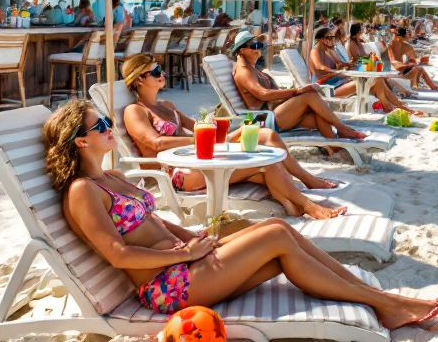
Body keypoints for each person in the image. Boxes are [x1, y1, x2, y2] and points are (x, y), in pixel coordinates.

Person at [44, 99, 438, 324]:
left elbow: (155, 220)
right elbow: (117, 253)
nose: (109, 128)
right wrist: (182, 254)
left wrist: (193, 239)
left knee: (276, 227)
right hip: (170, 286)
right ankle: (386, 305)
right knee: (273, 235)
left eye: (107, 122)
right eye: (101, 127)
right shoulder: (83, 191)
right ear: (79, 143)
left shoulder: (112, 175)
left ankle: (376, 297)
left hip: (188, 264)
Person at [121, 55, 344, 220]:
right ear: (139, 79)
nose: (163, 74)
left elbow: (200, 126)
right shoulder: (135, 111)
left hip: (201, 156)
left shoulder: (167, 106)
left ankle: (293, 207)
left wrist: (216, 129)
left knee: (264, 135)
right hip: (178, 172)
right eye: (156, 71)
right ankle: (309, 206)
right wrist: (201, 140)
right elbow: (155, 142)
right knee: (268, 166)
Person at [231, 31, 367, 144]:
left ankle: (334, 147)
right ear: (242, 50)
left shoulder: (251, 68)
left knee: (319, 112)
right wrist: (296, 91)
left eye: (260, 44)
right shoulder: (244, 71)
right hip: (264, 118)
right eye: (255, 45)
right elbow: (263, 94)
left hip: (275, 113)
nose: (259, 48)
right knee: (310, 96)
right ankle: (342, 128)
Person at [310, 28, 421, 116]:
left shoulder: (329, 50)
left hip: (340, 82)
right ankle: (393, 108)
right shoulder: (315, 51)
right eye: (329, 37)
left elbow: (340, 63)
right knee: (362, 82)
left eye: (333, 37)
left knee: (378, 80)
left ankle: (399, 107)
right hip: (328, 88)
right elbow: (319, 66)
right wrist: (335, 71)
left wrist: (347, 65)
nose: (332, 39)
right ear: (320, 39)